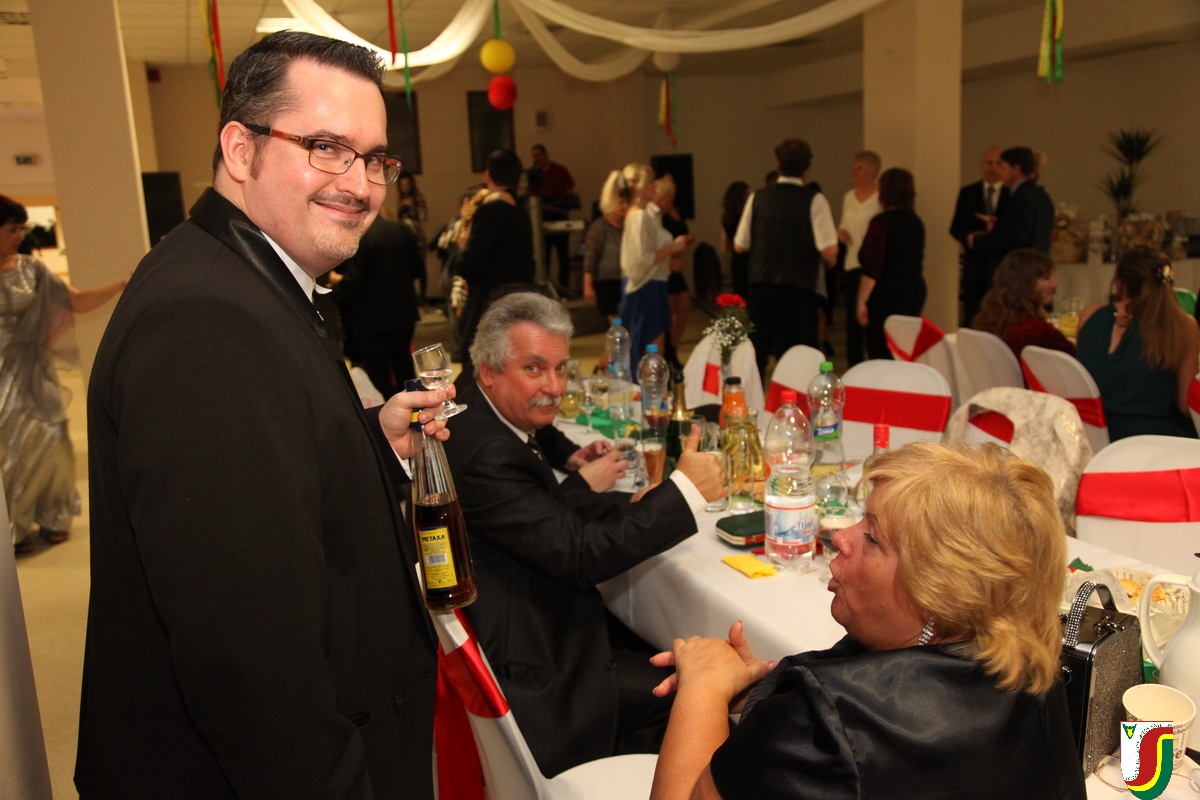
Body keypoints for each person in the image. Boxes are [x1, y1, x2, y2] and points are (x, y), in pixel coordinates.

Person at [76, 31, 455, 798]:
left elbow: (259, 486)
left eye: (375, 159)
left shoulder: (245, 279)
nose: (361, 184)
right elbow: (251, 661)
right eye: (326, 147)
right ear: (240, 150)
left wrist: (371, 444)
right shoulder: (206, 318)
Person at [648, 442, 1087, 800]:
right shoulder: (1033, 666)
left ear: (938, 595)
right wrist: (766, 700)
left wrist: (704, 685)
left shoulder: (825, 722)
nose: (841, 536)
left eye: (872, 537)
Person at [443, 291, 725, 778]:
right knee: (703, 689)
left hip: (527, 627)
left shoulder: (479, 415)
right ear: (489, 371)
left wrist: (635, 504)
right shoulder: (487, 451)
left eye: (561, 368)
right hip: (541, 672)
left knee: (670, 647)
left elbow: (542, 513)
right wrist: (684, 493)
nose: (554, 387)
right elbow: (580, 555)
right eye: (534, 368)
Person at [0, 194, 126, 555]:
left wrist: (120, 286)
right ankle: (14, 525)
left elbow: (76, 301)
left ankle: (53, 516)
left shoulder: (32, 269)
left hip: (33, 372)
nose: (21, 236)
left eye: (22, 229)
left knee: (54, 441)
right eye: (13, 229)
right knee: (9, 450)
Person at [735, 139, 839, 378]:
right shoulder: (815, 200)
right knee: (801, 353)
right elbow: (829, 250)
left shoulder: (757, 197)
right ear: (806, 167)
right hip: (799, 288)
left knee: (757, 351)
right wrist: (828, 260)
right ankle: (797, 396)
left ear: (778, 163)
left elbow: (740, 245)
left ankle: (754, 397)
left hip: (763, 285)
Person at [1076, 245, 1199, 440]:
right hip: (1149, 443)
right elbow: (1186, 405)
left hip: (1092, 437)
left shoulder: (1089, 314)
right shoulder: (1183, 325)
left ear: (1119, 282)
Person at [452, 148, 535, 379]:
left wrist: (462, 247)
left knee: (477, 365)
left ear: (487, 175)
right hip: (520, 300)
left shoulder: (490, 210)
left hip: (489, 303)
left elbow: (469, 264)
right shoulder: (522, 210)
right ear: (518, 178)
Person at [328, 210, 423, 397]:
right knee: (404, 363)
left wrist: (329, 293)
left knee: (378, 371)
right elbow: (417, 269)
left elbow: (354, 281)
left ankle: (388, 409)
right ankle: (416, 406)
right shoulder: (402, 229)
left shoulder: (360, 235)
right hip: (403, 311)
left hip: (370, 316)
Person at [613, 163, 692, 364]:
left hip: (652, 283)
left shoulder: (643, 214)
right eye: (650, 183)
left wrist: (669, 258)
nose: (654, 187)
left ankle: (648, 383)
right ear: (638, 187)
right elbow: (641, 260)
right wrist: (672, 248)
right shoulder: (639, 216)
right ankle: (648, 384)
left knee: (653, 350)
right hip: (645, 286)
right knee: (652, 352)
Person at [855, 168, 926, 360]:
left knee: (880, 346)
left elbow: (872, 265)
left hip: (886, 292)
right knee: (905, 348)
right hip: (913, 288)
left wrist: (862, 301)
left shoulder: (880, 223)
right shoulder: (916, 222)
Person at [969, 146, 1054, 301]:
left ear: (1016, 169)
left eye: (1002, 166)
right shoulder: (1041, 195)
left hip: (1021, 274)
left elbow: (1016, 237)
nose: (998, 170)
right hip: (1038, 267)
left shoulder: (1021, 196)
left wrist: (979, 240)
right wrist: (1000, 226)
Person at [973, 248, 1075, 359]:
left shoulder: (989, 320)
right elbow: (1074, 359)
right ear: (1025, 284)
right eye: (1046, 277)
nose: (1055, 284)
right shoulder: (1034, 330)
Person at [952, 146, 1010, 327]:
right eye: (989, 163)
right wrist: (969, 238)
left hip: (1001, 265)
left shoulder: (1011, 194)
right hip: (974, 265)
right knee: (972, 314)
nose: (993, 168)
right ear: (981, 165)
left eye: (998, 164)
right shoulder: (968, 192)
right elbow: (955, 227)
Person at [837, 151, 882, 366]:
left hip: (873, 264)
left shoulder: (880, 197)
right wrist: (842, 233)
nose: (855, 173)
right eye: (853, 168)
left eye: (860, 168)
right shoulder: (849, 197)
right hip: (853, 262)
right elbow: (844, 224)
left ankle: (875, 363)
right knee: (852, 317)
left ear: (873, 171)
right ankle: (854, 364)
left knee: (873, 316)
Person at [527, 144, 578, 295]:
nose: (537, 159)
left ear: (546, 154)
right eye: (534, 156)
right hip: (541, 219)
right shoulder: (533, 174)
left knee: (563, 255)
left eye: (539, 155)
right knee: (544, 257)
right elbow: (530, 194)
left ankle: (565, 289)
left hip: (559, 215)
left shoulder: (560, 170)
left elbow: (569, 191)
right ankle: (545, 291)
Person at [656, 176, 691, 370]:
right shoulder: (656, 216)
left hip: (675, 263)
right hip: (664, 266)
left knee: (684, 307)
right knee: (667, 313)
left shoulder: (676, 210)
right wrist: (669, 260)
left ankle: (673, 347)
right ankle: (667, 352)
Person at [582, 188, 626, 324]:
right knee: (617, 321)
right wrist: (588, 285)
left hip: (626, 278)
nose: (624, 206)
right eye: (621, 203)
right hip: (606, 281)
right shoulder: (599, 227)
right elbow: (590, 257)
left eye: (626, 202)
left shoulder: (628, 225)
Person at [394, 170, 429, 300]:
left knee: (421, 269)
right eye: (403, 185)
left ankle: (422, 298)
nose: (405, 188)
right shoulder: (400, 199)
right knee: (406, 269)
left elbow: (423, 217)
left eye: (407, 185)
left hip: (417, 237)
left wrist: (411, 211)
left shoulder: (418, 198)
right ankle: (410, 297)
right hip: (404, 237)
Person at [719, 181, 750, 298]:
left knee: (740, 294)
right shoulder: (746, 218)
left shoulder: (727, 217)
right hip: (750, 260)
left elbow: (724, 247)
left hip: (737, 260)